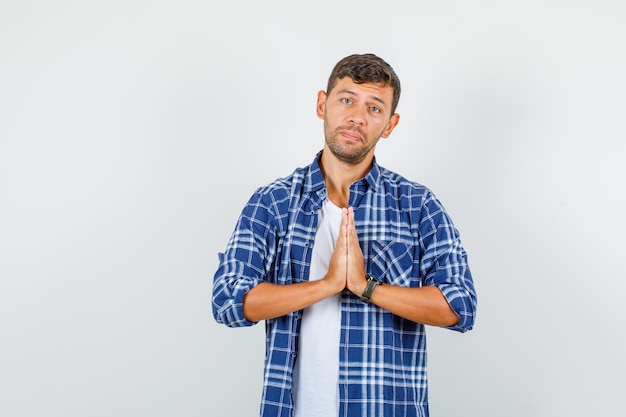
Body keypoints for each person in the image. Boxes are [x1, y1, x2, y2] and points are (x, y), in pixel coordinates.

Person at [212, 53, 477, 417]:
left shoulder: (418, 205)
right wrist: (328, 284)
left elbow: (459, 305)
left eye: (374, 108)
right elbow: (228, 301)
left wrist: (367, 287)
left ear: (390, 124)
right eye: (347, 99)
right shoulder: (273, 203)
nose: (356, 116)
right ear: (323, 104)